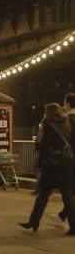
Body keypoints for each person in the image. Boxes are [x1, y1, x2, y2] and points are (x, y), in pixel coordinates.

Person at [19, 103, 75, 235]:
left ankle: (34, 221)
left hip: (51, 165)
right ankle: (73, 227)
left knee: (43, 195)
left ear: (48, 112)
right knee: (67, 196)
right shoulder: (68, 123)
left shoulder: (47, 123)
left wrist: (40, 163)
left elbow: (43, 145)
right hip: (66, 165)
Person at [51, 93, 75, 226]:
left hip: (70, 159)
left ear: (68, 104)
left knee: (67, 190)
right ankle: (62, 216)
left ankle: (65, 218)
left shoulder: (69, 119)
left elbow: (66, 138)